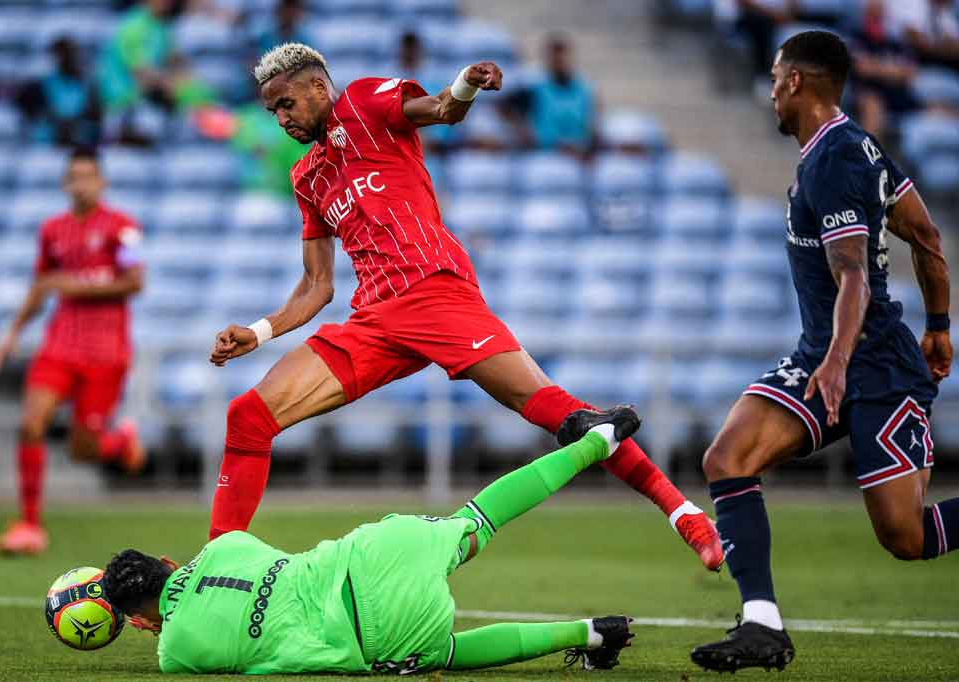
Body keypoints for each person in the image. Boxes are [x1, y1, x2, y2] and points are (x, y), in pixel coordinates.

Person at [205, 42, 722, 570]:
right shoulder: (307, 178)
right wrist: (261, 331)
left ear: (317, 87)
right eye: (272, 111)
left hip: (435, 293)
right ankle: (212, 572)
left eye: (286, 103)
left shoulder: (362, 103)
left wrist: (466, 84)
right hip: (374, 320)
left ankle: (683, 513)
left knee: (564, 416)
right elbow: (317, 285)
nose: (280, 118)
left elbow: (441, 109)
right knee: (248, 416)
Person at [691, 31, 955, 673]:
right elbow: (923, 231)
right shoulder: (855, 147)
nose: (771, 92)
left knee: (905, 537)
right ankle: (762, 626)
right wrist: (940, 323)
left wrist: (839, 359)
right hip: (824, 355)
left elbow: (855, 274)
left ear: (797, 83)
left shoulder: (835, 160)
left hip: (873, 367)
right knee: (728, 458)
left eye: (777, 78)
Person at [102, 410, 641, 674]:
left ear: (141, 620)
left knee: (446, 654)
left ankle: (593, 634)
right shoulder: (225, 547)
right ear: (167, 561)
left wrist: (162, 623)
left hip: (372, 633)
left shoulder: (174, 653)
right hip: (377, 550)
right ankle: (597, 442)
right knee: (478, 520)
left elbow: (194, 630)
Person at [0, 147, 147, 556]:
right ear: (65, 183)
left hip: (106, 352)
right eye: (74, 177)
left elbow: (135, 282)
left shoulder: (122, 227)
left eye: (88, 176)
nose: (81, 184)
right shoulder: (52, 231)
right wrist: (11, 335)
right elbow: (41, 287)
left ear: (101, 182)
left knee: (83, 451)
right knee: (30, 424)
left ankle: (120, 443)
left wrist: (78, 287)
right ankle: (29, 525)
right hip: (58, 347)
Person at [504, 34, 596, 156]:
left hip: (576, 153)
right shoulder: (534, 86)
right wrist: (523, 130)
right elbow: (505, 107)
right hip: (545, 153)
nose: (559, 60)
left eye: (562, 56)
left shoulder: (583, 87)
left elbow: (590, 121)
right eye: (554, 57)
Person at [849, 0, 918, 140]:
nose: (878, 13)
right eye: (873, 9)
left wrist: (877, 67)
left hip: (896, 94)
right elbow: (862, 68)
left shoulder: (893, 40)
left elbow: (910, 73)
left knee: (939, 107)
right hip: (865, 92)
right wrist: (892, 70)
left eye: (880, 9)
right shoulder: (855, 34)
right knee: (873, 105)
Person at [16, 37, 103, 146]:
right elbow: (32, 115)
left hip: (78, 139)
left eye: (70, 55)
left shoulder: (88, 86)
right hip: (49, 140)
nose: (67, 60)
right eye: (62, 56)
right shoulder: (41, 86)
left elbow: (95, 117)